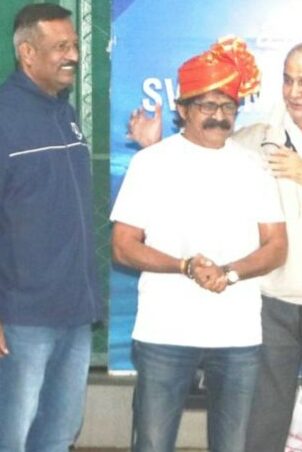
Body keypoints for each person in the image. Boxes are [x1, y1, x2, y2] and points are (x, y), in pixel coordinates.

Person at [129, 41, 302, 452]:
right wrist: (154, 149)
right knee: (257, 436)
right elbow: (199, 163)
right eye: (288, 80)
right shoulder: (254, 141)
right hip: (267, 308)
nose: (294, 92)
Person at [111, 37, 287, 452]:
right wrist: (184, 266)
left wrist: (230, 273)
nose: (219, 117)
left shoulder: (253, 167)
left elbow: (277, 245)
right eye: (208, 106)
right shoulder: (150, 164)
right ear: (183, 109)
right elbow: (123, 246)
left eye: (228, 107)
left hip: (237, 335)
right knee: (152, 444)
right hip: (164, 331)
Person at [0, 4, 104, 451]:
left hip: (75, 314)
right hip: (21, 321)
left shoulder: (65, 112)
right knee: (12, 437)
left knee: (58, 435)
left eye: (75, 45)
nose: (74, 56)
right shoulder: (5, 117)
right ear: (27, 53)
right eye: (61, 46)